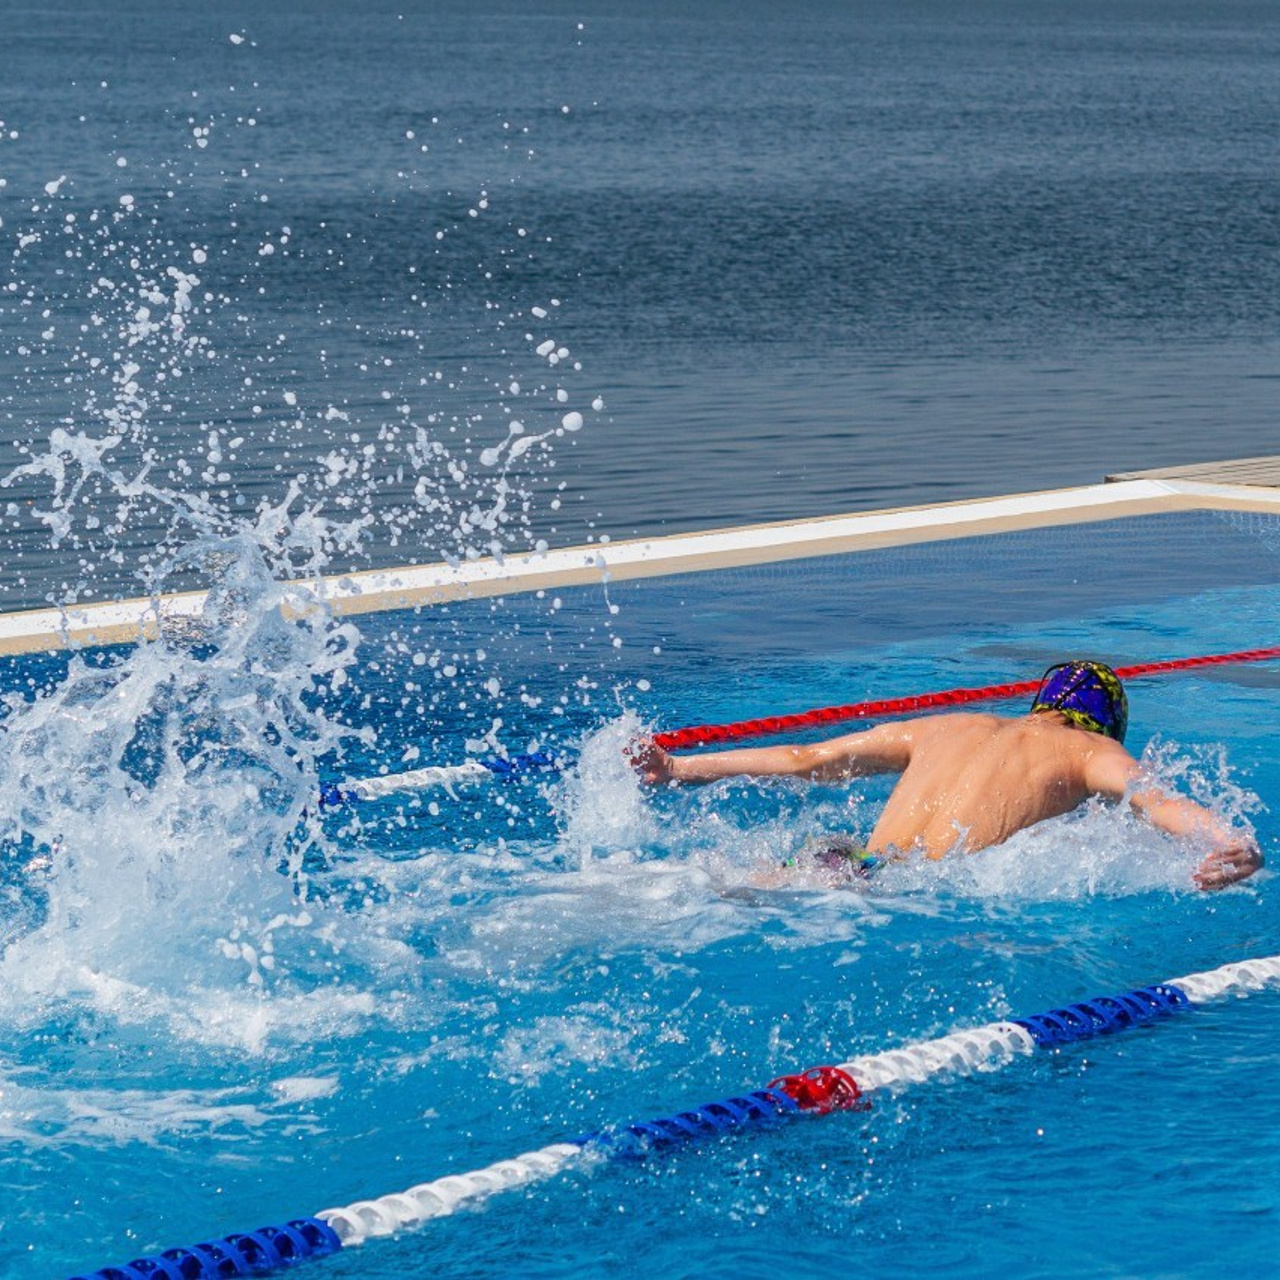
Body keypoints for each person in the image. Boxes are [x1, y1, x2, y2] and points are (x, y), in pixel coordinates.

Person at [631, 660, 1263, 891]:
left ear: (1039, 704)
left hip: (844, 865)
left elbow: (805, 761)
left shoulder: (944, 726)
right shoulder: (1091, 754)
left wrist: (677, 766)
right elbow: (1159, 800)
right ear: (1105, 726)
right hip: (903, 893)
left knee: (714, 887)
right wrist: (1227, 842)